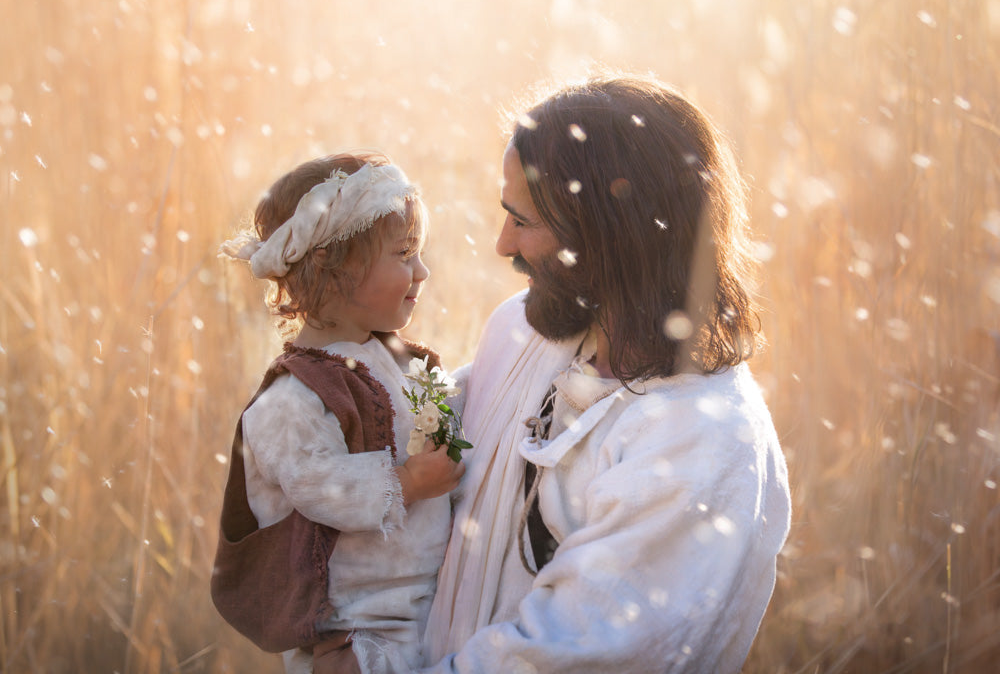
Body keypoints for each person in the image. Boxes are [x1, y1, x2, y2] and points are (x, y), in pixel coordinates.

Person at [421, 73, 791, 673]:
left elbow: (575, 656)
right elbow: (420, 449)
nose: (501, 244)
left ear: (608, 238)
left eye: (524, 221)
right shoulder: (524, 332)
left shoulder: (701, 442)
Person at [211, 152, 465, 674]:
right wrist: (409, 482)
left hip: (421, 607)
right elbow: (315, 483)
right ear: (336, 270)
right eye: (403, 254)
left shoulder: (396, 360)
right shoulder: (293, 398)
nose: (423, 270)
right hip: (353, 630)